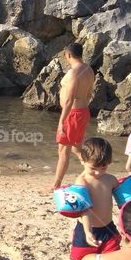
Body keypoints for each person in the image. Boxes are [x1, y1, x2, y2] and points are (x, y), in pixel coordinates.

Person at [61, 137, 121, 260]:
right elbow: (84, 209)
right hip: (88, 231)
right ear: (82, 161)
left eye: (103, 168)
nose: (97, 172)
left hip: (109, 230)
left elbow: (123, 202)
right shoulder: (82, 181)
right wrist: (87, 232)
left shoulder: (110, 179)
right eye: (93, 168)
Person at [49, 43, 95, 192]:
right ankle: (93, 170)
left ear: (68, 55)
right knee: (76, 148)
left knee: (63, 151)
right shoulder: (89, 70)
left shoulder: (74, 73)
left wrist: (62, 121)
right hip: (82, 111)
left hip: (73, 114)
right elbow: (89, 93)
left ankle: (55, 185)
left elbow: (68, 100)